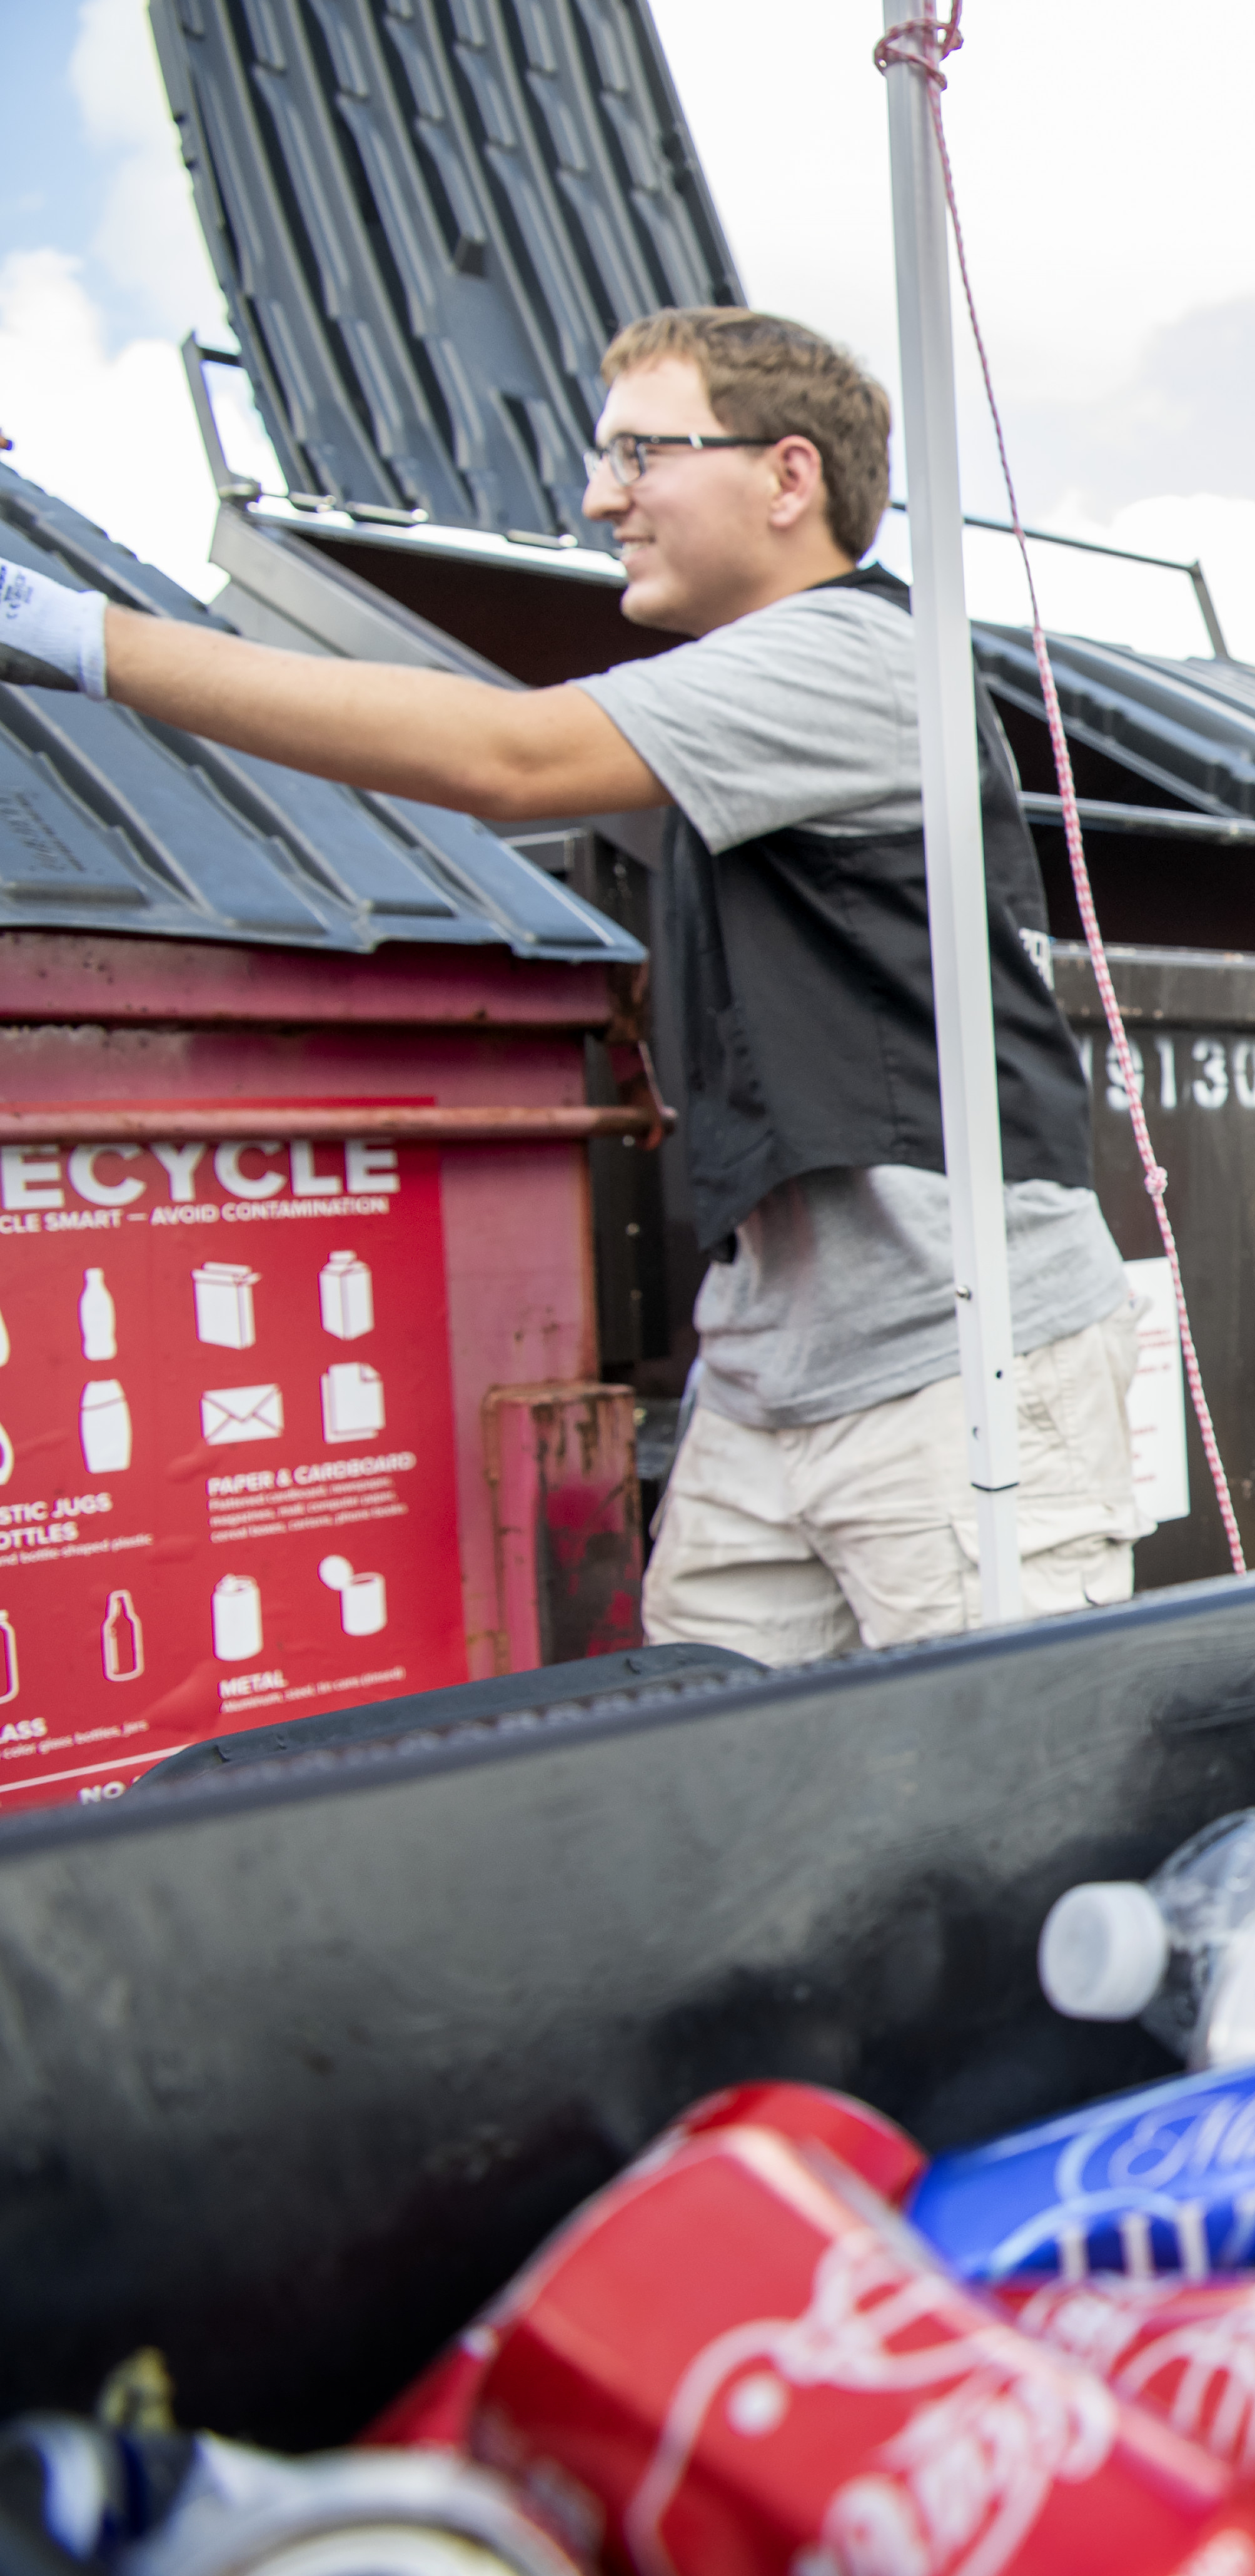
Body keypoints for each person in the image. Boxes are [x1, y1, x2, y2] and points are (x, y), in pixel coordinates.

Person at [0, 307, 1137, 1660]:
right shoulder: (738, 695)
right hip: (774, 1378)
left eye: (642, 455)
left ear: (788, 477)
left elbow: (508, 760)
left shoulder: (857, 657)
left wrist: (63, 629)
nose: (603, 498)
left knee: (990, 1809)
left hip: (959, 1371)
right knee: (715, 1801)